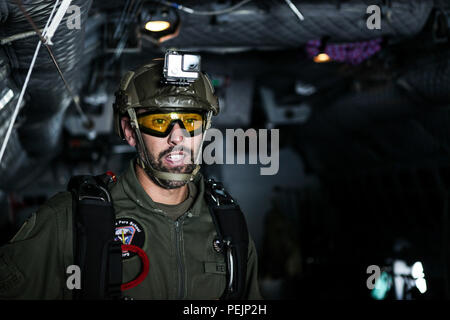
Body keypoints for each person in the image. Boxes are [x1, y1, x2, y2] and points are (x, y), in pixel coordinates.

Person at [0, 52, 262, 300]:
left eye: (190, 122)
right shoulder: (70, 220)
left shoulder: (228, 224)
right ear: (130, 131)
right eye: (160, 122)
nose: (177, 138)